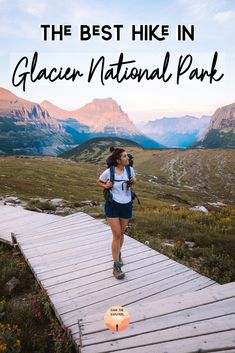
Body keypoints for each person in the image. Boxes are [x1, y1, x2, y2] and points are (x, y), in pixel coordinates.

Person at [96, 147, 137, 279]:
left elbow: (134, 178)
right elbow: (98, 181)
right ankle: (116, 266)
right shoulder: (109, 171)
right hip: (112, 205)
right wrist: (105, 186)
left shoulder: (130, 170)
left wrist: (133, 181)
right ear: (118, 160)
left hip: (126, 204)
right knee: (117, 234)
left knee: (121, 234)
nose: (128, 158)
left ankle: (118, 253)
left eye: (127, 156)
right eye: (125, 156)